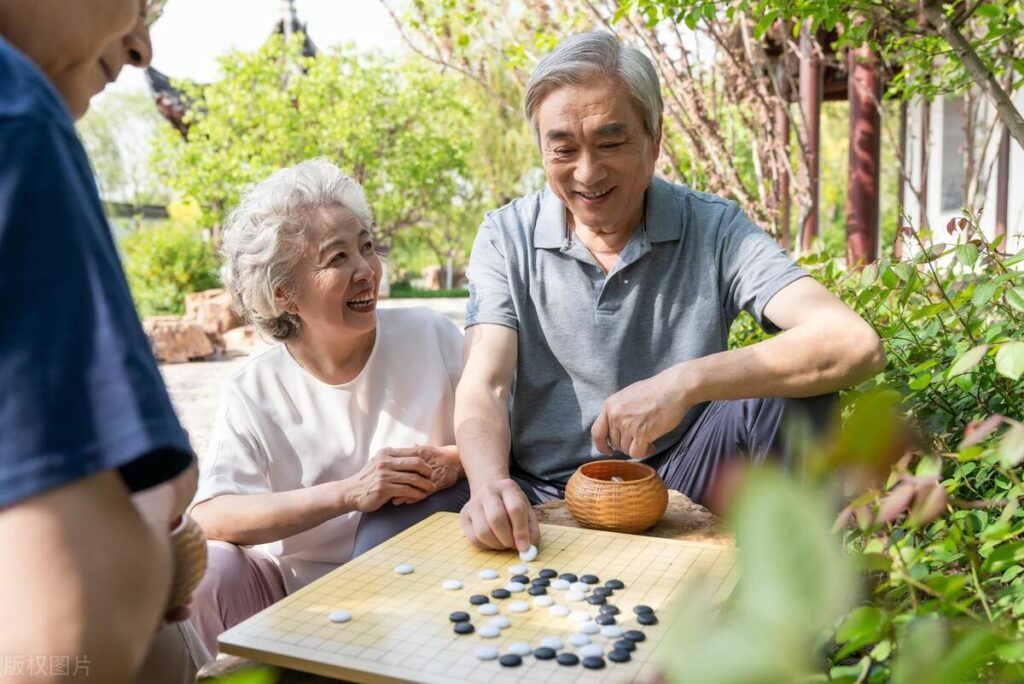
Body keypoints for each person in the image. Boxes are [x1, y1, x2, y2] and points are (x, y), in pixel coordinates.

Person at [353, 31, 885, 555]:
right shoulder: (505, 235)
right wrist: (491, 483)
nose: (588, 173)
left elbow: (851, 342)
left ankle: (793, 610)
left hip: (685, 472)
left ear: (654, 140)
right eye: (563, 148)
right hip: (541, 483)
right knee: (389, 520)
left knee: (792, 394)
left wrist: (683, 383)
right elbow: (485, 385)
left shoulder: (715, 227)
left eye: (611, 142)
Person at [0, 1, 203, 683]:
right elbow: (65, 642)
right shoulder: (16, 111)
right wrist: (153, 511)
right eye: (141, 3)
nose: (141, 47)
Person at [188, 159, 465, 655]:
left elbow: (507, 436)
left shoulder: (432, 335)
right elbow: (213, 515)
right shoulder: (255, 389)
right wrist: (349, 493)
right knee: (211, 569)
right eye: (337, 258)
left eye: (366, 246)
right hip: (298, 599)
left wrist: (453, 460)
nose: (367, 270)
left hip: (429, 585)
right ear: (284, 295)